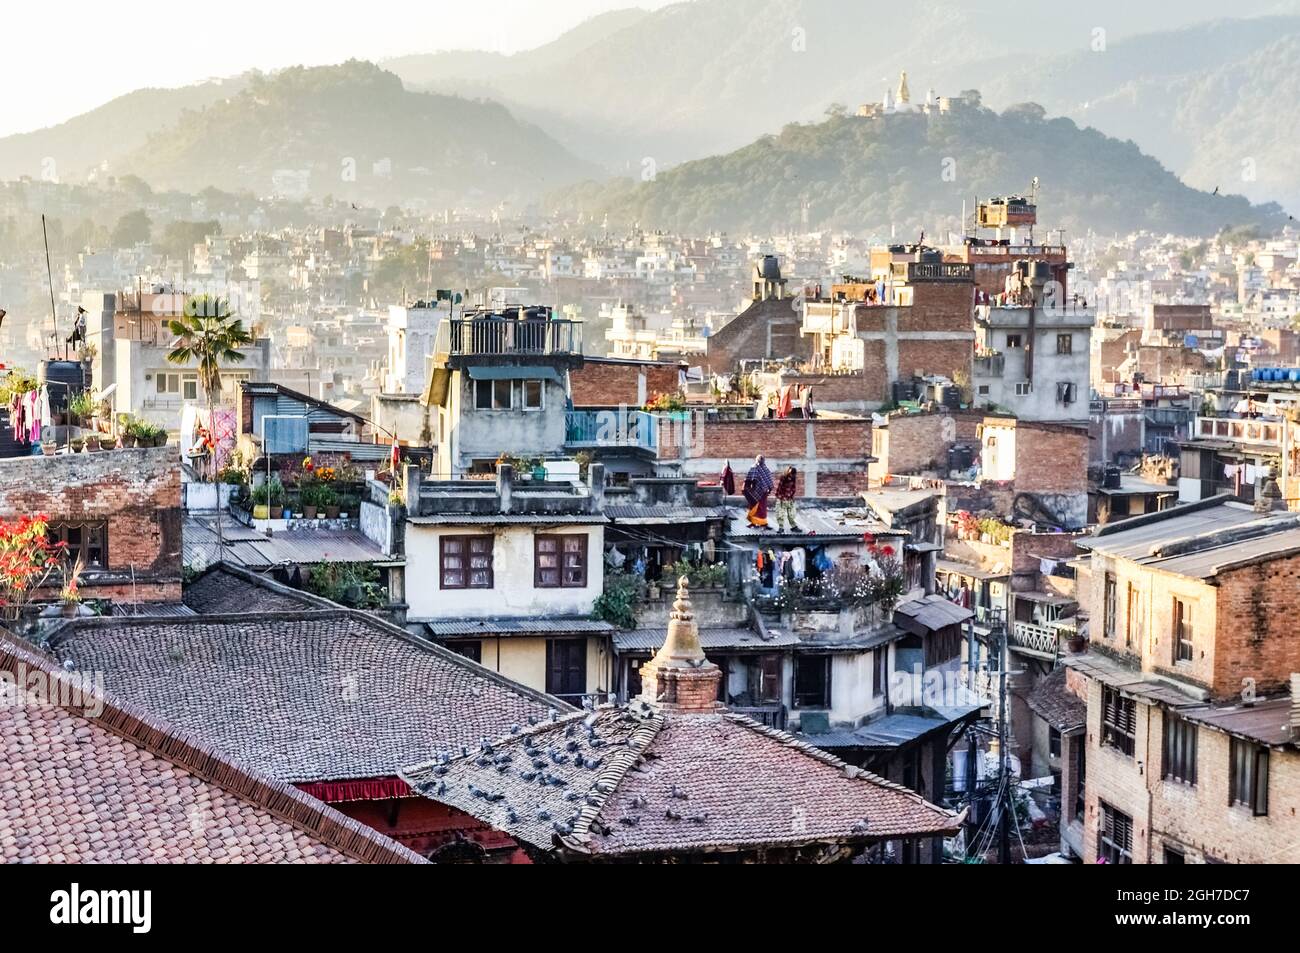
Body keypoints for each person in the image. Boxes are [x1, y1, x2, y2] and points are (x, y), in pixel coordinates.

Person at [742, 454, 774, 528]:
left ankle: (761, 523)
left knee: (760, 508)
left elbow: (748, 479)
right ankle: (755, 523)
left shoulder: (759, 468)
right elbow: (749, 479)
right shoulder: (760, 468)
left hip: (759, 491)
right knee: (756, 507)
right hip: (757, 491)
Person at [774, 465, 799, 532]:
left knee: (792, 514)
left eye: (793, 475)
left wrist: (792, 496)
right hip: (782, 498)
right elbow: (779, 488)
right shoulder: (783, 477)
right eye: (791, 474)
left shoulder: (793, 478)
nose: (792, 476)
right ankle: (781, 528)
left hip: (789, 498)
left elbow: (793, 488)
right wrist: (780, 497)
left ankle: (794, 527)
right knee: (780, 514)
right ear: (788, 472)